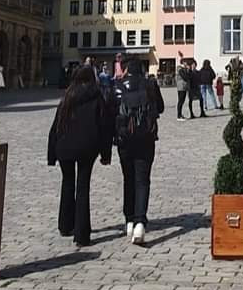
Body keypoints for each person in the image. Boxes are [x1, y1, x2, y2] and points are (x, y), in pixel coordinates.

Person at [47, 63, 113, 246]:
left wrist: (52, 154)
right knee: (82, 187)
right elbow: (105, 128)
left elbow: (55, 127)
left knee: (67, 183)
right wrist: (106, 154)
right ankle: (82, 235)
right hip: (87, 148)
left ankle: (65, 225)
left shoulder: (67, 97)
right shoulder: (97, 97)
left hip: (65, 148)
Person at [115, 57, 165, 244]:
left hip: (124, 140)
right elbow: (160, 107)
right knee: (142, 180)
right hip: (146, 139)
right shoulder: (150, 84)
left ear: (126, 69)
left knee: (128, 179)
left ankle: (128, 220)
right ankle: (140, 223)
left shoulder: (118, 86)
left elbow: (111, 111)